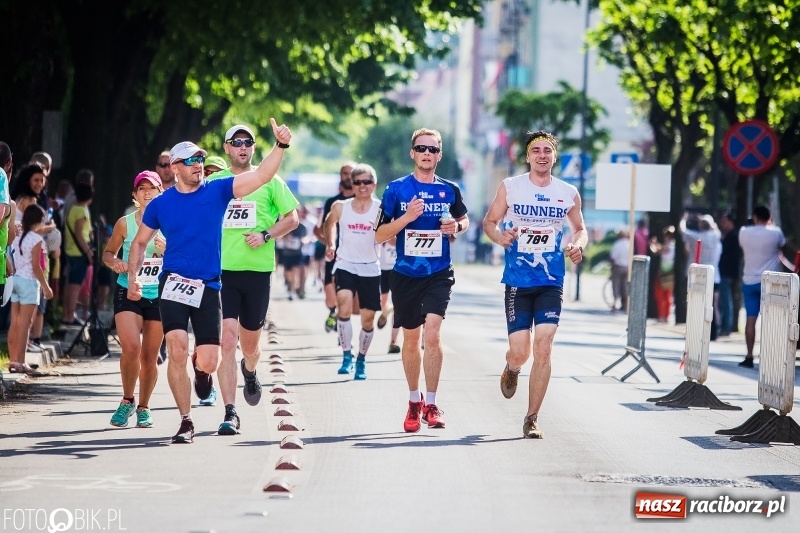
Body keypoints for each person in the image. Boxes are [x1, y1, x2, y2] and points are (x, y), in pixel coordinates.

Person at [127, 117, 292, 444]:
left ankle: (204, 372)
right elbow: (139, 242)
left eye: (201, 159)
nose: (198, 165)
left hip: (208, 286)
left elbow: (262, 175)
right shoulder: (160, 204)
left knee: (210, 359)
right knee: (176, 348)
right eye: (190, 161)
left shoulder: (218, 190)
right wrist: (133, 277)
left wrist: (281, 146)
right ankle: (186, 421)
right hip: (173, 283)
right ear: (174, 167)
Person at [482, 130, 588, 439]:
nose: (542, 155)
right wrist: (499, 236)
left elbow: (580, 228)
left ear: (554, 157)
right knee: (521, 351)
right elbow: (490, 222)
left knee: (544, 345)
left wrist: (578, 245)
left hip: (551, 280)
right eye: (536, 150)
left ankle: (531, 418)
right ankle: (512, 368)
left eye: (547, 150)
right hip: (517, 280)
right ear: (528, 157)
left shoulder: (568, 192)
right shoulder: (511, 187)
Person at [205, 124, 299, 435]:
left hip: (258, 272)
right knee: (226, 339)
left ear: (254, 148)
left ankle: (250, 370)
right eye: (237, 142)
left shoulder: (270, 181)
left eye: (248, 142)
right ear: (227, 147)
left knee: (250, 344)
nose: (243, 147)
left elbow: (292, 217)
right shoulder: (215, 182)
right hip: (223, 272)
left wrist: (266, 233)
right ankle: (230, 412)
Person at [375, 127, 469, 433]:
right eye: (422, 149)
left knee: (433, 333)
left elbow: (464, 220)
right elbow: (379, 235)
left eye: (433, 149)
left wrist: (456, 226)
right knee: (412, 339)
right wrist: (406, 219)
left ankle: (431, 403)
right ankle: (413, 401)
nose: (427, 154)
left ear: (439, 155)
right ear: (412, 153)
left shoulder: (450, 190)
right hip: (404, 274)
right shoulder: (396, 190)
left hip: (439, 272)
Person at [103, 171, 165, 428]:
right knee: (131, 349)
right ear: (135, 195)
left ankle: (144, 407)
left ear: (161, 193)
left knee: (150, 357)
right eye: (142, 188)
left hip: (159, 294)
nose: (147, 192)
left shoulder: (171, 222)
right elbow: (107, 254)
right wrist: (116, 262)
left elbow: (186, 256)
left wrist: (168, 250)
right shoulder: (124, 223)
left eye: (152, 188)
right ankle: (127, 400)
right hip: (127, 290)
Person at [324, 163, 382, 380]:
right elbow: (329, 223)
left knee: (368, 320)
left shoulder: (380, 209)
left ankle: (361, 360)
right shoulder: (341, 206)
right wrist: (331, 244)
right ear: (352, 184)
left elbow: (390, 234)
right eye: (357, 182)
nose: (362, 186)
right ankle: (346, 355)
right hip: (345, 263)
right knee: (343, 302)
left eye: (367, 182)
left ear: (374, 184)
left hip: (370, 267)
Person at [737, 205, 787, 368]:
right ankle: (770, 357)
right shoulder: (775, 232)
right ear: (769, 218)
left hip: (749, 280)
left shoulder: (744, 232)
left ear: (755, 217)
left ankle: (749, 356)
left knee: (751, 320)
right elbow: (783, 247)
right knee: (771, 320)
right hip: (770, 282)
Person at [7, 205, 53, 374]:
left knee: (15, 322)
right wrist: (46, 287)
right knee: (26, 325)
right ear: (39, 221)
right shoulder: (36, 239)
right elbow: (36, 267)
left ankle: (13, 360)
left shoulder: (17, 237)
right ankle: (21, 362)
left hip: (16, 280)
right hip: (29, 283)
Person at [315, 162, 356, 331]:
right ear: (340, 176)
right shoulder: (331, 202)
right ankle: (333, 312)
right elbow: (318, 230)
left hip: (354, 255)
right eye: (344, 173)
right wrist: (329, 244)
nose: (348, 176)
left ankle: (343, 325)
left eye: (351, 173)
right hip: (333, 254)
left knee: (348, 296)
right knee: (330, 295)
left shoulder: (362, 201)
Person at [61, 183, 94, 326]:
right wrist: (88, 252)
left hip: (70, 250)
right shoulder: (82, 211)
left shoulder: (72, 209)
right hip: (79, 252)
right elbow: (79, 234)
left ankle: (66, 314)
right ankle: (70, 315)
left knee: (70, 284)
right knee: (75, 285)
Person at [717, 212, 741, 336]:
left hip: (727, 271)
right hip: (725, 271)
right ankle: (725, 325)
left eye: (725, 221)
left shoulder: (734, 236)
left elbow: (730, 256)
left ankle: (726, 327)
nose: (722, 224)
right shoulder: (728, 235)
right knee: (723, 299)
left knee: (726, 299)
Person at [377, 239, 401, 353]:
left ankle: (393, 341)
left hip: (399, 271)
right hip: (383, 271)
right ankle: (386, 311)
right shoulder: (383, 223)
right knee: (383, 303)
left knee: (398, 307)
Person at [649, 226, 676, 322]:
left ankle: (663, 316)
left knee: (661, 295)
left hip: (664, 273)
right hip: (670, 273)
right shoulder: (672, 245)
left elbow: (655, 251)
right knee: (667, 295)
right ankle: (665, 315)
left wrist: (652, 244)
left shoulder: (670, 246)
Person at [608, 229, 630, 312]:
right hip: (627, 267)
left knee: (616, 285)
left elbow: (613, 257)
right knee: (625, 286)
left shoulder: (617, 244)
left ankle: (615, 304)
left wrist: (611, 265)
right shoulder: (629, 244)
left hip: (618, 266)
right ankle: (626, 305)